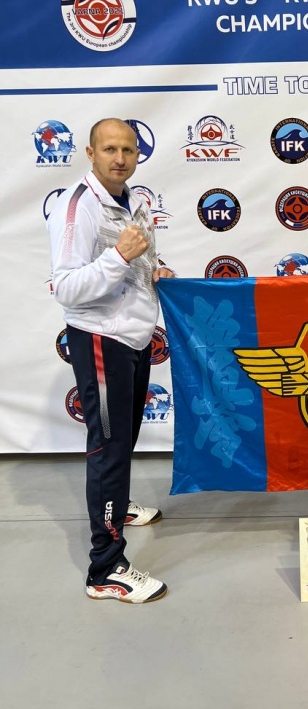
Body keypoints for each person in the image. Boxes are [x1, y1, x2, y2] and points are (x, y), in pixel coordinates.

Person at [48, 118, 174, 603]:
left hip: (134, 338)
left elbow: (137, 262)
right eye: (109, 149)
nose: (119, 158)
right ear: (90, 153)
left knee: (123, 436)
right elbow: (65, 288)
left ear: (138, 154)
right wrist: (119, 258)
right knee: (108, 447)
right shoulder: (77, 207)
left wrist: (154, 270)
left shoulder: (135, 200)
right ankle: (105, 569)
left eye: (128, 150)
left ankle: (114, 506)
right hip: (101, 339)